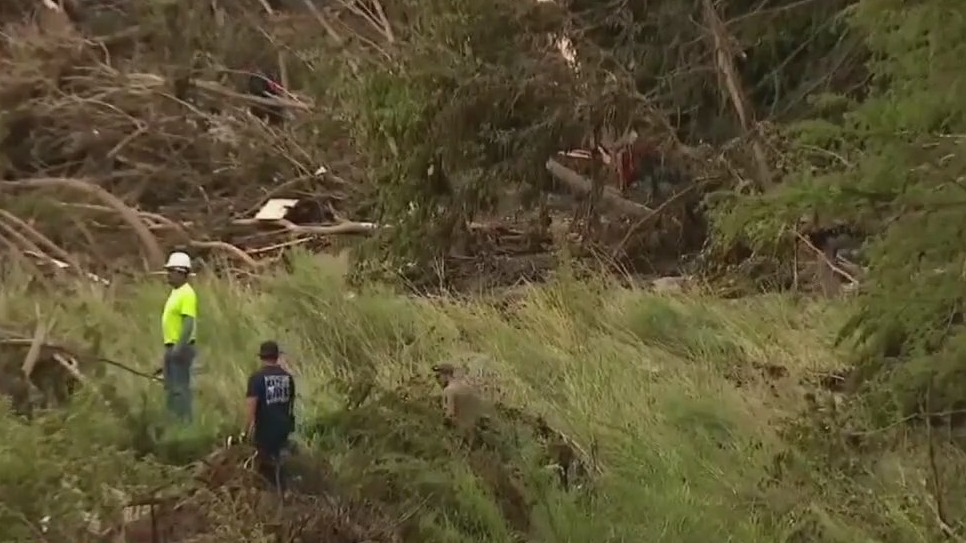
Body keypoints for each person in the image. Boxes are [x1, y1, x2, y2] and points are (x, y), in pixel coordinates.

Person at [246, 340, 296, 490]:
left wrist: (247, 432)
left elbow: (251, 408)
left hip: (264, 431)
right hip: (283, 430)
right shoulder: (288, 378)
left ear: (261, 357)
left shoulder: (256, 379)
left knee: (262, 471)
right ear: (277, 357)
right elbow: (290, 405)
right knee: (280, 466)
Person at [161, 251, 198, 422]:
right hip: (171, 345)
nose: (168, 275)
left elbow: (188, 322)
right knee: (170, 387)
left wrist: (178, 347)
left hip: (181, 347)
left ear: (180, 272)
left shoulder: (187, 293)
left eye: (171, 271)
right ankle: (173, 421)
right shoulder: (176, 292)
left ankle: (185, 422)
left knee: (180, 387)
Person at [432, 363, 490, 434]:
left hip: (459, 433)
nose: (437, 380)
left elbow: (450, 415)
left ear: (446, 375)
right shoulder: (468, 388)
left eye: (438, 377)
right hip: (475, 432)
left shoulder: (449, 391)